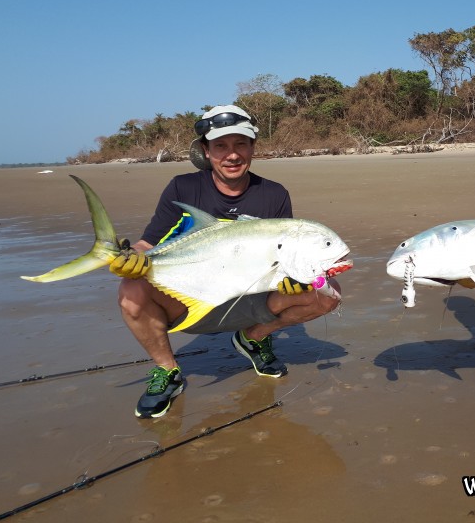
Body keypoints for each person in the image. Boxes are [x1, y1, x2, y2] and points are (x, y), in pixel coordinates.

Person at [110, 105, 342, 418]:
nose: (231, 155)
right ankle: (168, 372)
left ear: (252, 148)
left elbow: (287, 254)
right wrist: (128, 258)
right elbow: (147, 244)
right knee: (131, 291)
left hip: (248, 299)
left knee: (327, 291)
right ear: (206, 151)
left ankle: (251, 338)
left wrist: (305, 279)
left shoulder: (273, 194)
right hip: (190, 297)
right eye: (220, 146)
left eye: (240, 145)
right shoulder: (183, 187)